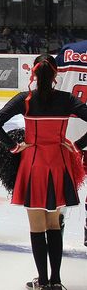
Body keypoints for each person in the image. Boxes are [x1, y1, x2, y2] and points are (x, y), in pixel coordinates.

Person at [0, 54, 87, 290]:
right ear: (56, 75)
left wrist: (13, 146)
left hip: (33, 164)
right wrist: (76, 145)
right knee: (54, 222)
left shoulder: (25, 99)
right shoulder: (66, 99)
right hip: (59, 162)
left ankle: (42, 280)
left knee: (36, 225)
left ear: (33, 74)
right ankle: (55, 280)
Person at [54, 39, 87, 246]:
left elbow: (51, 84)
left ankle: (57, 226)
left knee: (62, 183)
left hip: (68, 131)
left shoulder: (68, 51)